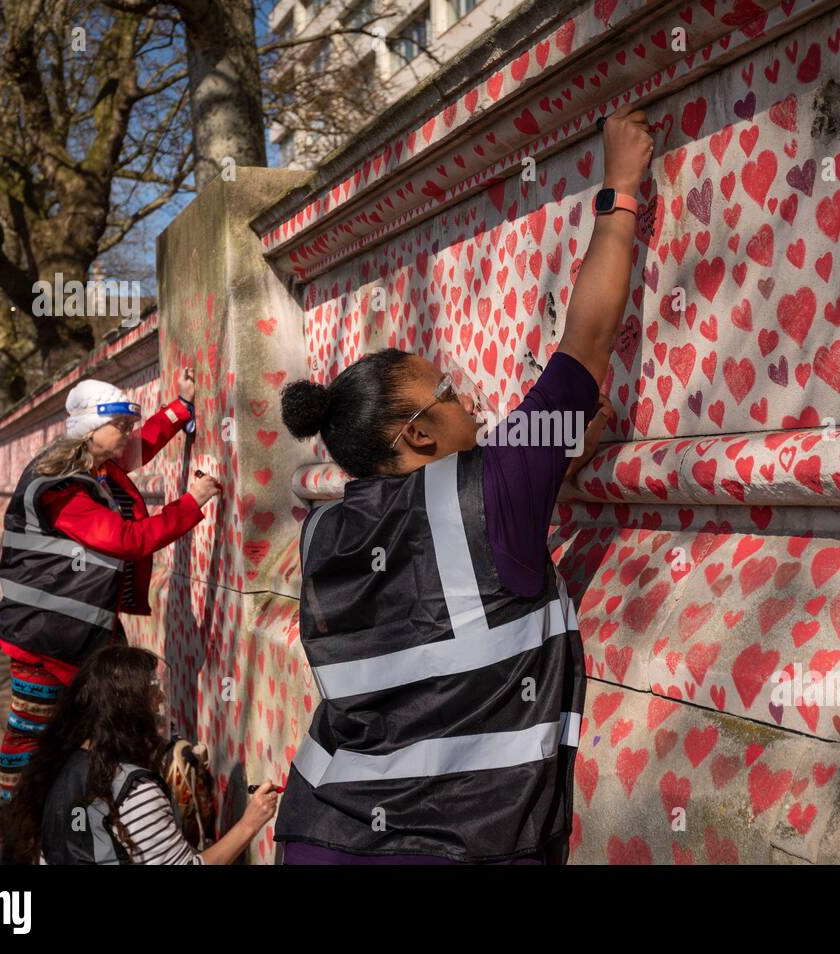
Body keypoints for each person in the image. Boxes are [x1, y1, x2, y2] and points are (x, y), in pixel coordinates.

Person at [273, 102, 651, 864]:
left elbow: (436, 586)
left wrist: (554, 461)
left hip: (318, 829)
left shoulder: (319, 532)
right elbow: (586, 342)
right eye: (449, 391)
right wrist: (621, 188)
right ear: (416, 434)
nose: (472, 400)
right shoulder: (491, 486)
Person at [0, 367, 222, 835]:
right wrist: (192, 501)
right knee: (33, 735)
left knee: (87, 727)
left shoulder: (91, 464)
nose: (129, 435)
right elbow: (127, 539)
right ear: (92, 431)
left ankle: (80, 820)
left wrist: (179, 408)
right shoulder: (60, 488)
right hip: (47, 640)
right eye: (120, 426)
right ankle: (13, 830)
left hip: (75, 632)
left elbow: (140, 446)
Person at [0, 645, 278, 864]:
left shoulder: (59, 765)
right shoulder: (131, 790)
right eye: (155, 703)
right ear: (130, 715)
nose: (163, 717)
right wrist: (250, 823)